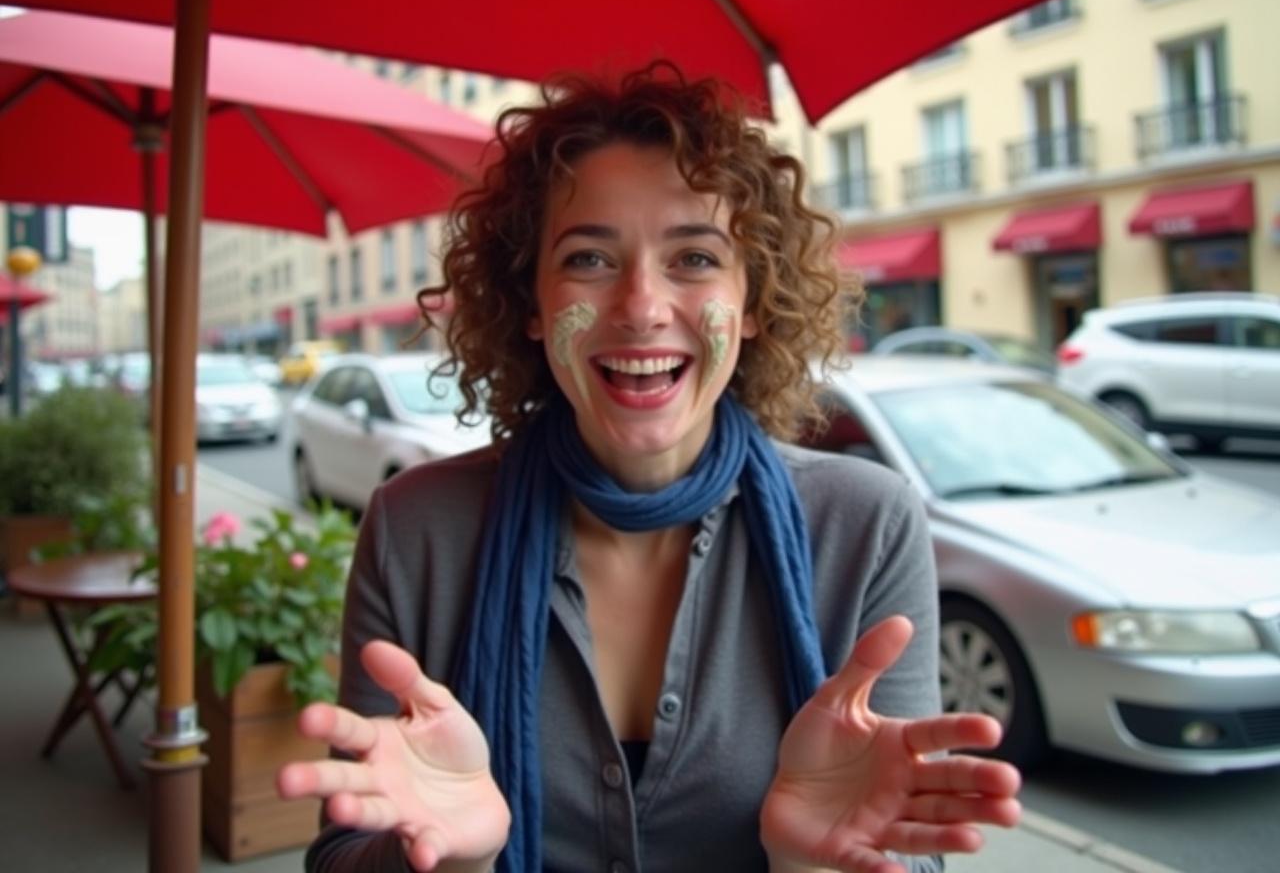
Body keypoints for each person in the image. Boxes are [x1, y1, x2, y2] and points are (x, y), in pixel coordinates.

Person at [277, 62, 1021, 873]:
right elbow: (343, 856)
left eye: (695, 259)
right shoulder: (416, 528)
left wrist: (815, 863)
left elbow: (907, 855)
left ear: (754, 300)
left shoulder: (866, 524)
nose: (640, 305)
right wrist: (444, 862)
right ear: (529, 303)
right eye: (589, 260)